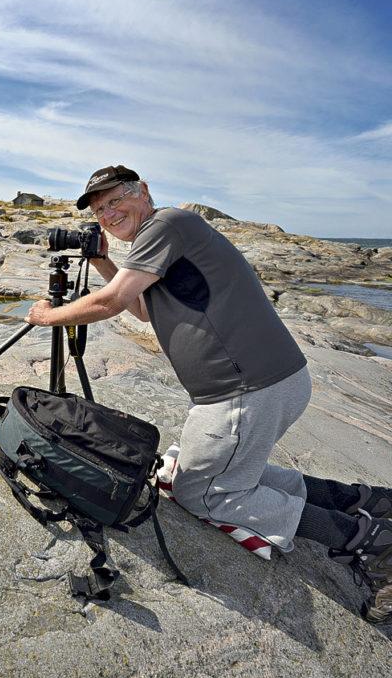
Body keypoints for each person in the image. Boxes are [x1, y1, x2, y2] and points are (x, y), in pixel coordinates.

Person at [24, 164, 392, 624]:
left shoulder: (166, 223)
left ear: (144, 192)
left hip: (245, 392)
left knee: (202, 493)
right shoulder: (158, 241)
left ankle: (368, 541)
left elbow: (111, 302)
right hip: (267, 383)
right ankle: (367, 499)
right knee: (239, 473)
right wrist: (101, 258)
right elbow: (139, 308)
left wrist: (48, 317)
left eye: (116, 199)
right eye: (100, 210)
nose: (109, 213)